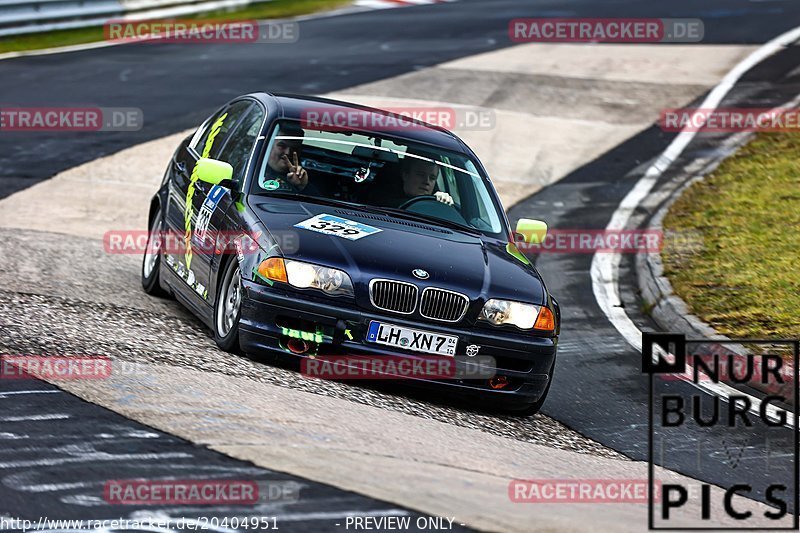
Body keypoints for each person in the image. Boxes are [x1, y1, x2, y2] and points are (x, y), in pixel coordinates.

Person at [262, 124, 314, 193]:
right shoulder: (253, 170)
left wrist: (302, 187)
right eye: (282, 146)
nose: (288, 152)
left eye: (294, 148)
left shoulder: (302, 177)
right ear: (269, 145)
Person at [384, 156, 454, 207]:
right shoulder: (382, 203)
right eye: (421, 175)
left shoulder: (437, 203)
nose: (427, 181)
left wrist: (444, 202)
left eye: (432, 178)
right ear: (405, 175)